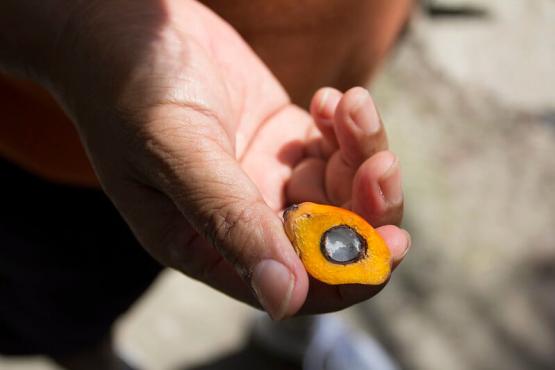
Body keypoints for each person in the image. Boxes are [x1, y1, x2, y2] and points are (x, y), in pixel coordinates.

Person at [0, 1, 413, 369]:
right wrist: (70, 28)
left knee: (302, 258)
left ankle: (294, 333)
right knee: (68, 310)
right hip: (76, 149)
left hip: (308, 104)